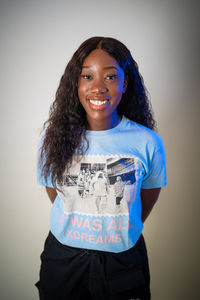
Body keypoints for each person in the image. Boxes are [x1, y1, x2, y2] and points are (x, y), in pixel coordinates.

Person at [36, 36, 167, 300]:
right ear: (76, 83)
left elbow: (147, 195)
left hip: (124, 262)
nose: (98, 88)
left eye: (109, 77)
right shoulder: (52, 138)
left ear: (125, 83)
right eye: (87, 77)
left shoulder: (146, 141)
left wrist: (117, 224)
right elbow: (55, 192)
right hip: (63, 261)